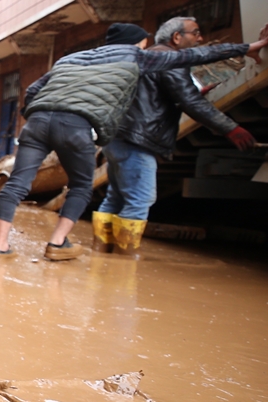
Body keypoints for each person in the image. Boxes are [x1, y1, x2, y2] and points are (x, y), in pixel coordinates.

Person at [0, 21, 268, 261]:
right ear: (137, 43)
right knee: (81, 186)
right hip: (76, 127)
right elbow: (196, 55)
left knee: (17, 183)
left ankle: (1, 247)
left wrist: (35, 112)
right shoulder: (137, 57)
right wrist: (248, 47)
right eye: (144, 42)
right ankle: (57, 244)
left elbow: (33, 89)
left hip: (37, 123)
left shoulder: (71, 59)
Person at [93, 17, 256, 257]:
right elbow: (190, 101)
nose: (200, 38)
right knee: (140, 199)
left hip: (117, 138)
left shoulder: (147, 58)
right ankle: (124, 259)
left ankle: (100, 252)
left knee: (115, 197)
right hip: (138, 140)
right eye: (195, 33)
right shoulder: (168, 60)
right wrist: (230, 128)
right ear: (177, 37)